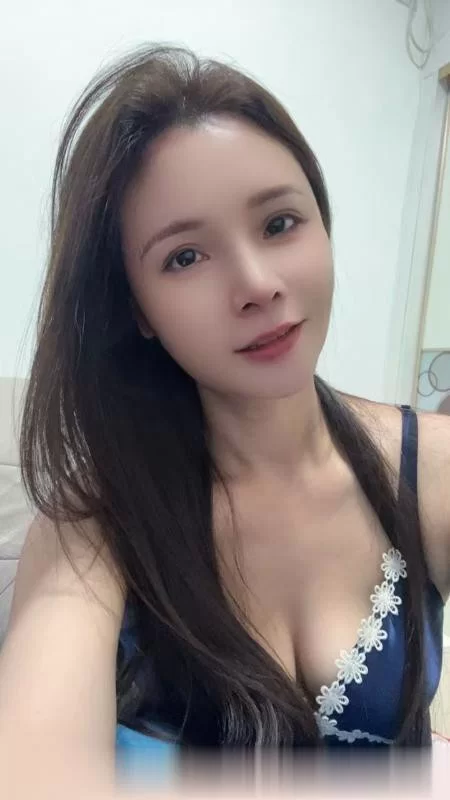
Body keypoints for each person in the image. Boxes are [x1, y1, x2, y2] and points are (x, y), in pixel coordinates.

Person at [0, 43, 449, 798]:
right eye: (185, 258)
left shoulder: (429, 467)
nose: (257, 285)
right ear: (137, 310)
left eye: (279, 223)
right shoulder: (96, 523)